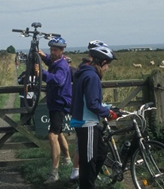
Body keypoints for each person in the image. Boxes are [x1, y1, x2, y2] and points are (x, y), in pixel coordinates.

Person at [70, 45, 118, 189]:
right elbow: (92, 104)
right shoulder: (92, 76)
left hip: (85, 121)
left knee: (101, 153)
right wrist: (108, 113)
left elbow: (90, 100)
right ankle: (87, 185)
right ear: (102, 62)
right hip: (87, 123)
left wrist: (109, 108)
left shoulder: (84, 73)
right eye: (107, 64)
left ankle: (86, 183)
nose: (107, 68)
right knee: (88, 162)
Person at [38, 36, 72, 184]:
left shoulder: (62, 66)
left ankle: (54, 173)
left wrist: (41, 73)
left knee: (52, 136)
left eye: (55, 50)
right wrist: (42, 55)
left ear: (62, 50)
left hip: (59, 104)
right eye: (51, 49)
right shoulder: (56, 61)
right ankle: (68, 160)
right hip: (55, 103)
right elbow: (50, 62)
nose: (52, 52)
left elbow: (58, 80)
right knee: (59, 133)